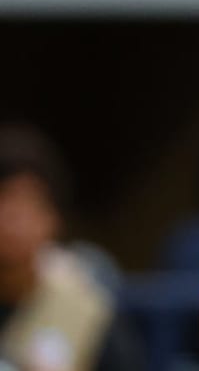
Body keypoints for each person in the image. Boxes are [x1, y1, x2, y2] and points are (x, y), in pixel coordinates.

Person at [0, 122, 146, 371]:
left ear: (54, 220)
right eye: (4, 198)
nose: (14, 217)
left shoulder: (85, 308)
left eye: (29, 202)